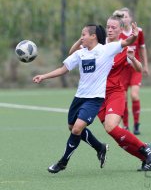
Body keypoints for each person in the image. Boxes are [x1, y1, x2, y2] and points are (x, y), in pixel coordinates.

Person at [33, 23, 139, 174]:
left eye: (83, 34)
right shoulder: (80, 53)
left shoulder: (106, 49)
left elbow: (127, 42)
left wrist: (134, 35)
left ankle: (62, 162)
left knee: (76, 129)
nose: (81, 37)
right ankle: (100, 147)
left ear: (93, 36)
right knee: (72, 127)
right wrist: (43, 76)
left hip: (94, 98)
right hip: (79, 97)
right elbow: (64, 69)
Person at [69, 16, 151, 171]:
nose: (110, 30)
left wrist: (132, 58)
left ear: (121, 30)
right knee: (114, 133)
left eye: (114, 27)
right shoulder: (97, 45)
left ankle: (145, 147)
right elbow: (72, 54)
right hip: (97, 97)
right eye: (108, 27)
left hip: (115, 93)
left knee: (111, 127)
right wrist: (82, 37)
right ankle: (145, 159)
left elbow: (139, 68)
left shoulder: (122, 47)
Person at [113, 8, 149, 135]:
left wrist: (145, 65)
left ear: (131, 18)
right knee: (124, 99)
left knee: (134, 95)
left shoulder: (138, 32)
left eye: (126, 16)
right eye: (122, 17)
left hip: (135, 69)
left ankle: (137, 124)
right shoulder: (118, 34)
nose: (124, 19)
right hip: (122, 70)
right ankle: (126, 126)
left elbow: (142, 49)